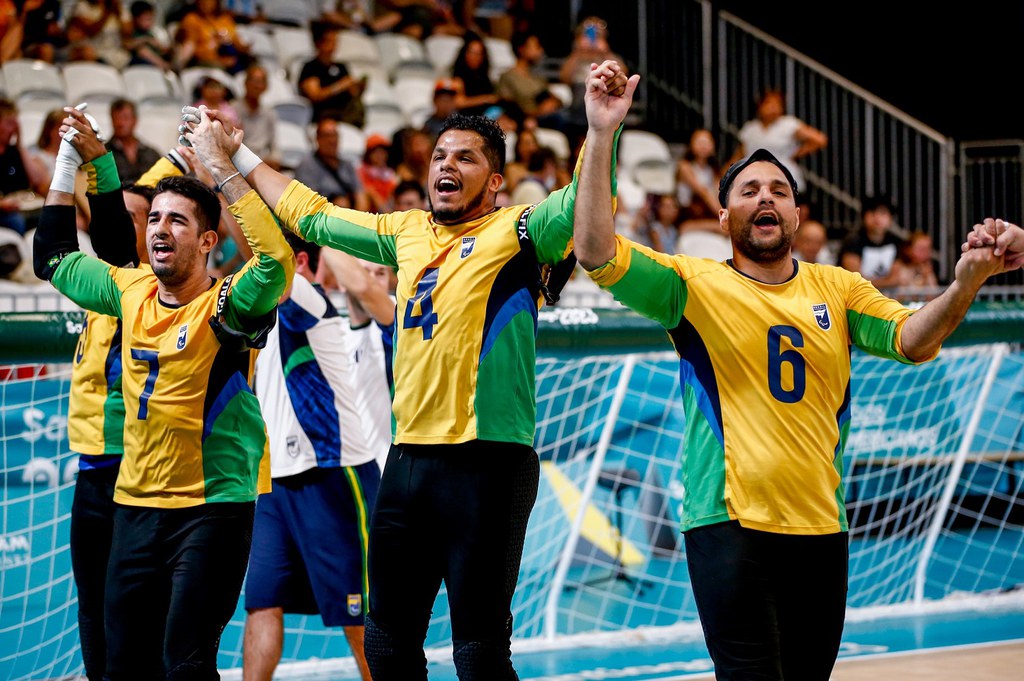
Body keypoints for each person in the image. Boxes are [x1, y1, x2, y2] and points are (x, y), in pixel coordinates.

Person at [179, 58, 631, 679]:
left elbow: (585, 204)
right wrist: (239, 154)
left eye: (466, 158)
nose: (446, 165)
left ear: (496, 181)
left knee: (478, 654)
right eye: (440, 155)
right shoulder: (406, 232)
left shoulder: (519, 231)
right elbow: (310, 215)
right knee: (388, 649)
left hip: (489, 462)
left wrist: (602, 130)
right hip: (409, 462)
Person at [574, 71, 1021, 678]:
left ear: (796, 212)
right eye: (750, 189)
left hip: (820, 524)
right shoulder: (692, 284)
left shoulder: (837, 288)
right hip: (728, 522)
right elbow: (597, 251)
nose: (765, 198)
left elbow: (912, 340)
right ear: (725, 215)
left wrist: (968, 276)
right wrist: (603, 133)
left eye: (779, 190)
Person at [34, 105, 294, 680]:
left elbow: (275, 262)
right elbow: (50, 257)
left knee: (185, 662)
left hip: (211, 508)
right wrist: (65, 165)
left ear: (206, 242)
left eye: (176, 221)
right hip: (135, 505)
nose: (158, 229)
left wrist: (219, 164)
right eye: (154, 218)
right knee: (124, 664)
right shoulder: (127, 290)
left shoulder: (229, 302)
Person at [244, 231, 380, 681]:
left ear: (297, 261)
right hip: (273, 483)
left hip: (332, 473)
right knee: (262, 602)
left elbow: (263, 256)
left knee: (358, 619)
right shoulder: (257, 316)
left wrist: (223, 179)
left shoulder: (310, 302)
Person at [731, 89, 827, 192]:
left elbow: (819, 139)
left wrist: (796, 154)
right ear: (759, 106)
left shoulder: (788, 124)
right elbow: (739, 155)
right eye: (769, 103)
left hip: (784, 174)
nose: (773, 107)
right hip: (754, 176)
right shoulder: (750, 128)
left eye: (777, 103)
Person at [294, 117, 369, 212]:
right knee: (341, 203)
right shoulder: (307, 165)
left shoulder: (347, 165)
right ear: (317, 139)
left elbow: (360, 195)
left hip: (350, 216)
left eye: (334, 136)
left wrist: (359, 219)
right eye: (327, 136)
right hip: (321, 217)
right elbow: (307, 202)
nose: (331, 141)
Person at [298, 22, 366, 126]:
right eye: (329, 41)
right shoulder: (311, 67)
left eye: (335, 42)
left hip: (345, 116)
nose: (333, 46)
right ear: (318, 43)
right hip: (323, 117)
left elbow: (352, 93)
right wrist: (339, 86)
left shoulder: (341, 66)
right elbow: (314, 95)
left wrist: (358, 87)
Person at [496, 30, 565, 129]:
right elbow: (508, 107)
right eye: (536, 47)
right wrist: (537, 112)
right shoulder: (508, 77)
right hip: (527, 120)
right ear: (522, 49)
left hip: (550, 116)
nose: (541, 51)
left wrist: (554, 102)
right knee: (561, 118)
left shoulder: (537, 77)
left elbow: (556, 99)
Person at [839, 194, 902, 286]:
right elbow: (855, 279)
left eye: (883, 213)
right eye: (872, 212)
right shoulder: (853, 241)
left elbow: (896, 278)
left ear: (891, 218)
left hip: (884, 297)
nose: (877, 219)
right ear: (863, 217)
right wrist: (886, 283)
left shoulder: (894, 242)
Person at [107, 98, 162, 185]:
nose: (120, 123)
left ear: (135, 120)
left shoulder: (151, 154)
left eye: (125, 118)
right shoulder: (104, 154)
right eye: (116, 118)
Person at [237, 63, 279, 169]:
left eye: (261, 82)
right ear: (245, 83)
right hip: (239, 160)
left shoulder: (269, 113)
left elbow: (274, 145)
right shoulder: (232, 110)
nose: (257, 86)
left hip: (263, 162)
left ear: (266, 87)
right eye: (254, 81)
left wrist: (275, 159)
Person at [449, 33, 499, 116]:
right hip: (468, 117)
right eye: (472, 52)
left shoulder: (484, 77)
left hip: (487, 115)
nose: (476, 57)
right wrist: (485, 99)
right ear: (464, 53)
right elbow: (459, 103)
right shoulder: (458, 77)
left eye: (479, 53)